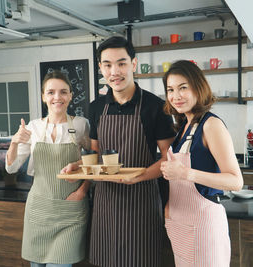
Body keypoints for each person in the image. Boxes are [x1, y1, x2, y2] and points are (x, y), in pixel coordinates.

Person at [62, 36, 176, 267]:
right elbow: (94, 154)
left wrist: (137, 177)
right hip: (106, 204)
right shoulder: (96, 107)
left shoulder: (156, 107)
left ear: (133, 64)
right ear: (101, 68)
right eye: (108, 65)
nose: (115, 71)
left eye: (122, 63)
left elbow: (169, 158)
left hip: (142, 202)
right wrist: (78, 167)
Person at [160, 60, 243, 267]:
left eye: (183, 88)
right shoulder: (184, 126)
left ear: (199, 87)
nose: (175, 96)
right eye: (170, 90)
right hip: (182, 226)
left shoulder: (211, 124)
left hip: (203, 227)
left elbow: (235, 181)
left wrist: (186, 173)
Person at [5, 70, 91, 267]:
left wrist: (82, 191)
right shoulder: (33, 127)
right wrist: (14, 142)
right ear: (44, 96)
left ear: (70, 95)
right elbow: (11, 167)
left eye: (63, 92)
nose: (57, 97)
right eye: (51, 92)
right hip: (39, 209)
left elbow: (95, 162)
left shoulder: (81, 125)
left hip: (71, 209)